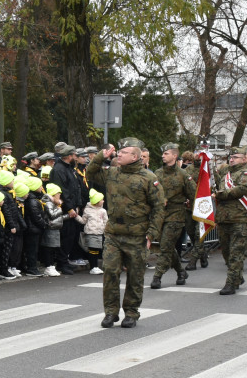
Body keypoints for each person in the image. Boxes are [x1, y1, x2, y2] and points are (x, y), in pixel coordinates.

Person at [86, 139, 164, 327]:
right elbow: (90, 173)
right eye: (118, 152)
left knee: (135, 276)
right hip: (114, 233)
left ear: (135, 157)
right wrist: (100, 156)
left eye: (124, 152)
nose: (119, 154)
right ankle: (111, 312)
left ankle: (131, 312)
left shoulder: (148, 178)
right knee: (110, 272)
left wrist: (152, 234)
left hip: (137, 234)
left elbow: (159, 207)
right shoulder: (112, 173)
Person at [213, 146, 247, 295]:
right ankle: (237, 276)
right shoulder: (225, 174)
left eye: (236, 157)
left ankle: (230, 283)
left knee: (236, 253)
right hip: (224, 219)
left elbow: (240, 190)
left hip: (240, 219)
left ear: (245, 158)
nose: (232, 159)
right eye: (230, 157)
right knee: (226, 252)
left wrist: (220, 194)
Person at [152, 143, 195, 289]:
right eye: (163, 154)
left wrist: (196, 214)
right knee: (168, 246)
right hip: (160, 215)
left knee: (165, 246)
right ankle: (181, 272)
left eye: (166, 153)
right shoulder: (157, 174)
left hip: (176, 214)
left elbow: (194, 194)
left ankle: (157, 276)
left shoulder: (183, 175)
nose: (163, 156)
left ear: (174, 156)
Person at [49, 144, 81, 275]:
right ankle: (61, 262)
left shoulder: (69, 168)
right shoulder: (59, 170)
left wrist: (77, 205)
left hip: (73, 207)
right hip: (64, 209)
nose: (76, 158)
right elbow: (63, 191)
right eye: (74, 155)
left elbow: (75, 188)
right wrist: (69, 208)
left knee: (70, 236)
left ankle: (65, 260)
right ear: (69, 156)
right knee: (65, 236)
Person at [77, 189, 107, 275]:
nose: (103, 201)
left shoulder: (103, 211)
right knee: (92, 249)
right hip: (91, 232)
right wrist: (76, 216)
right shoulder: (88, 210)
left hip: (99, 233)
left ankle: (95, 267)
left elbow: (106, 222)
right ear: (97, 201)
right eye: (101, 200)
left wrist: (106, 230)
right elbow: (83, 221)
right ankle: (93, 267)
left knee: (97, 250)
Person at [39, 183, 65, 276]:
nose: (60, 196)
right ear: (54, 194)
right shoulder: (48, 203)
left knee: (53, 249)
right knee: (49, 248)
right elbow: (52, 214)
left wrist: (67, 216)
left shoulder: (53, 203)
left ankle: (51, 266)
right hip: (50, 229)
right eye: (58, 194)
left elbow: (57, 217)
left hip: (55, 228)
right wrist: (59, 208)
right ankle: (48, 266)